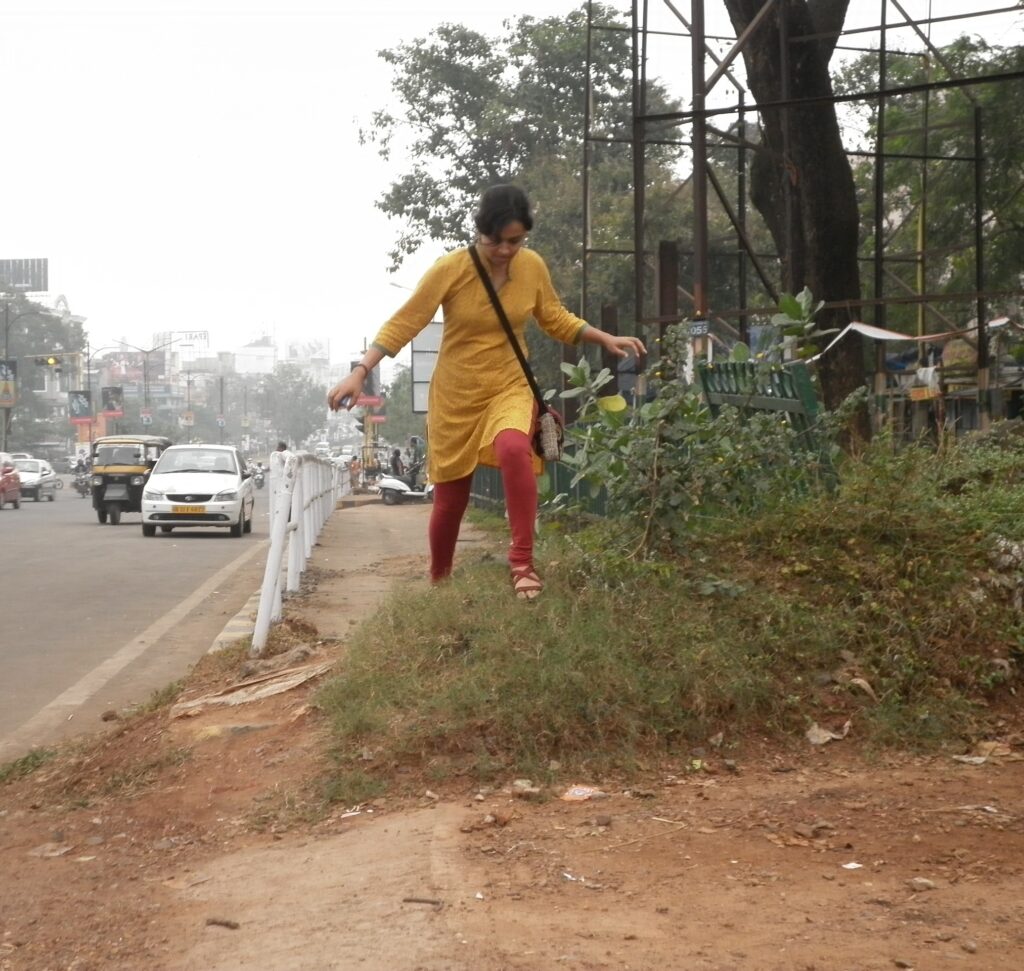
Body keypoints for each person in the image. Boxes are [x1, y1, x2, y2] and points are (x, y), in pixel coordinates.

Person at [327, 184, 644, 599]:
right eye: (496, 240)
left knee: (514, 447)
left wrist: (602, 337)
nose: (506, 250)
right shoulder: (451, 269)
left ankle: (522, 563)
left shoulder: (531, 266)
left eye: (515, 240)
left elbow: (553, 316)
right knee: (451, 498)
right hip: (456, 395)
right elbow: (405, 322)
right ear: (480, 233)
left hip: (509, 384)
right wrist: (360, 371)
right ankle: (440, 578)